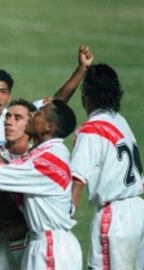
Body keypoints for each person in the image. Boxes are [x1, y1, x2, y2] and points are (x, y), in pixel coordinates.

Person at [0, 99, 83, 269]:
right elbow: (11, 170)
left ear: (49, 127)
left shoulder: (47, 160)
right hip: (47, 243)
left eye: (39, 113)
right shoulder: (48, 152)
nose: (33, 115)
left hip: (50, 248)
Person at [70, 64, 144, 269]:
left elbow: (77, 181)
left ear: (86, 95)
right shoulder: (120, 121)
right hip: (138, 210)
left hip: (116, 218)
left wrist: (63, 221)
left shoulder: (92, 130)